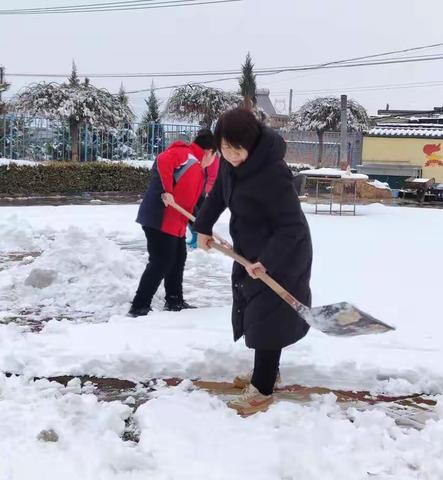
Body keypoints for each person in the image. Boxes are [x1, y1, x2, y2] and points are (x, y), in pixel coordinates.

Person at [194, 109, 313, 415]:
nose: (231, 156)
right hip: (250, 252)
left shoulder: (273, 173)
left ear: (252, 142)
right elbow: (219, 194)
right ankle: (267, 373)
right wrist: (203, 228)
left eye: (237, 149)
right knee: (255, 309)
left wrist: (267, 261)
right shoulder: (230, 165)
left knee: (267, 316)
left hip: (283, 253)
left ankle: (262, 388)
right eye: (225, 149)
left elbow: (292, 227)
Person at [129, 130, 216, 317]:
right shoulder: (186, 155)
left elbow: (195, 205)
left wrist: (204, 229)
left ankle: (174, 301)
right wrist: (167, 190)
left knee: (177, 259)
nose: (213, 161)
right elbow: (163, 160)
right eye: (215, 157)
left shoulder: (200, 171)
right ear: (209, 151)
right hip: (160, 218)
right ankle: (139, 306)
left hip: (175, 224)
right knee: (160, 261)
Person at [186, 152, 220, 248]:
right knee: (192, 211)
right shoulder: (202, 153)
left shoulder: (213, 155)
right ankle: (195, 235)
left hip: (202, 190)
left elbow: (213, 176)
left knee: (194, 211)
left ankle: (197, 235)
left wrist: (207, 192)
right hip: (196, 186)